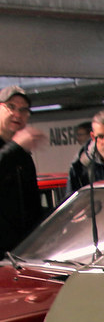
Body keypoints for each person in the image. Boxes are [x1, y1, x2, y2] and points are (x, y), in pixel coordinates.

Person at [0, 85, 45, 256]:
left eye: (23, 110)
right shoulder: (17, 150)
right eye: (11, 107)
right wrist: (16, 147)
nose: (18, 114)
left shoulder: (23, 154)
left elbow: (30, 203)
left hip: (22, 252)